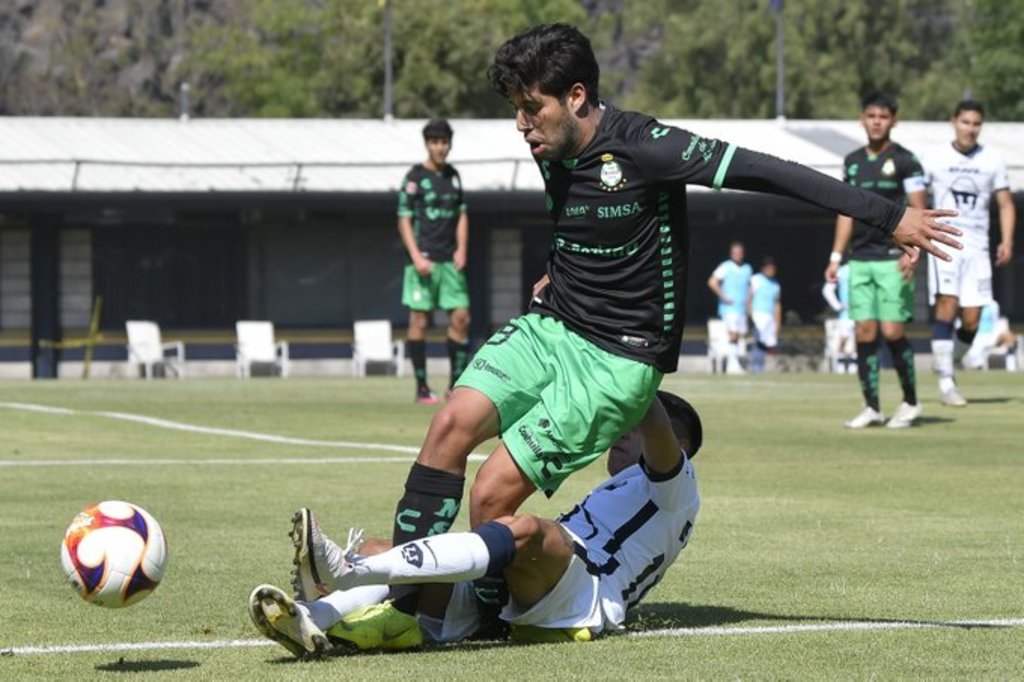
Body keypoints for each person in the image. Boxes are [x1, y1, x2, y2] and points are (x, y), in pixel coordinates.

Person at [378, 23, 959, 627]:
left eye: (531, 109)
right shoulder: (552, 145)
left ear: (576, 97)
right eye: (515, 111)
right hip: (554, 325)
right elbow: (585, 224)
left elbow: (768, 172)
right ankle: (400, 613)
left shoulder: (648, 146)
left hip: (618, 357)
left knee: (491, 496)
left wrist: (889, 216)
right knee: (448, 426)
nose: (522, 125)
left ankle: (476, 618)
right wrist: (560, 270)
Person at [248, 391, 702, 657]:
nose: (621, 432)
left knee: (528, 530)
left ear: (676, 444)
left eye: (632, 427)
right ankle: (312, 617)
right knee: (389, 547)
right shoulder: (629, 488)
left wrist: (635, 359)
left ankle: (344, 575)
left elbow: (654, 423)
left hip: (587, 598)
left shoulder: (675, 484)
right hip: (541, 587)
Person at [824, 92, 928, 429]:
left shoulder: (907, 161)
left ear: (893, 121)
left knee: (893, 331)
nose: (877, 122)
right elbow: (845, 212)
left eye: (883, 116)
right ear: (862, 119)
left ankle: (911, 403)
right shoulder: (852, 162)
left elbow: (918, 209)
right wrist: (837, 256)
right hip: (861, 259)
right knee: (865, 333)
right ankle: (872, 407)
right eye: (871, 116)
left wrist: (915, 250)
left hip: (892, 258)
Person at [924, 100, 1016, 406]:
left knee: (973, 320)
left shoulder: (993, 159)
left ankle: (949, 362)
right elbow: (917, 198)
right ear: (954, 122)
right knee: (947, 307)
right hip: (944, 242)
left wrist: (1007, 240)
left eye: (976, 124)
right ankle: (946, 381)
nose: (970, 129)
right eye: (965, 122)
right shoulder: (934, 157)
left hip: (978, 247)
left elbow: (1005, 204)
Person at [397, 118, 472, 404]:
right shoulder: (414, 178)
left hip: (450, 263)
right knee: (418, 320)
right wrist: (416, 256)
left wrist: (462, 249)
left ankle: (455, 386)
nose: (440, 147)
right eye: (435, 142)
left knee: (462, 318)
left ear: (449, 144)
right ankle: (421, 387)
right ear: (427, 144)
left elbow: (461, 214)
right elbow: (403, 219)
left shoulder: (453, 176)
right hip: (423, 261)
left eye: (444, 142)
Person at [708, 241, 753, 374]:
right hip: (729, 308)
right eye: (735, 252)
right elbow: (712, 282)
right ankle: (732, 365)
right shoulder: (725, 267)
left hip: (741, 309)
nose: (738, 255)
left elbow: (750, 287)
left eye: (740, 253)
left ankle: (734, 363)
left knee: (738, 336)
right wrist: (724, 297)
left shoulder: (747, 268)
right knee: (732, 334)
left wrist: (749, 303)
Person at [962, 300, 1019, 372]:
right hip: (976, 337)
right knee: (975, 362)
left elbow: (995, 322)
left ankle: (1012, 369)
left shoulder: (994, 305)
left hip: (991, 336)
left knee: (1010, 337)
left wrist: (999, 335)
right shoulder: (971, 303)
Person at [747, 257, 781, 373]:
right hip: (757, 315)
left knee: (765, 343)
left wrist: (777, 321)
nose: (771, 271)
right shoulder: (755, 279)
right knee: (758, 342)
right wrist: (750, 313)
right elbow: (749, 297)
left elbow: (777, 304)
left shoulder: (776, 284)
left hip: (769, 316)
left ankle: (760, 368)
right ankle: (755, 368)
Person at [822, 262, 856, 374]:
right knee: (843, 339)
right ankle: (840, 368)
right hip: (846, 315)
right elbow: (827, 290)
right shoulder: (842, 271)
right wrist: (838, 305)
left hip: (863, 313)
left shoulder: (867, 268)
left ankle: (854, 368)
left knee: (858, 340)